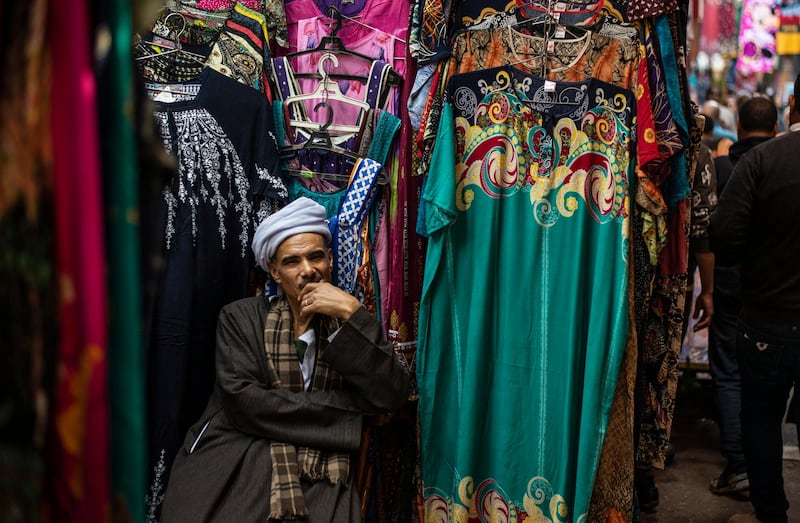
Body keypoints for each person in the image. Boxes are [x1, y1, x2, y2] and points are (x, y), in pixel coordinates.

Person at [160, 197, 410, 523]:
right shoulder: (241, 318)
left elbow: (390, 394)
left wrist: (353, 315)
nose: (308, 270)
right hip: (240, 456)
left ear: (331, 260)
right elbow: (246, 404)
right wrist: (350, 415)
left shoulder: (346, 323)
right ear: (275, 272)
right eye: (293, 261)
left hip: (320, 469)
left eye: (316, 257)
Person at [710, 76, 800, 523]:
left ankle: (773, 515)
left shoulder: (763, 160)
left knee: (762, 423)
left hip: (768, 319)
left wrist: (754, 263)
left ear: (793, 106)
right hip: (772, 317)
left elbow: (725, 235)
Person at [707, 95, 778, 499]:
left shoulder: (721, 167)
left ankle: (739, 464)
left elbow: (713, 233)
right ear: (776, 124)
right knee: (764, 383)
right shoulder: (777, 164)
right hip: (770, 292)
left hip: (732, 286)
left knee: (731, 372)